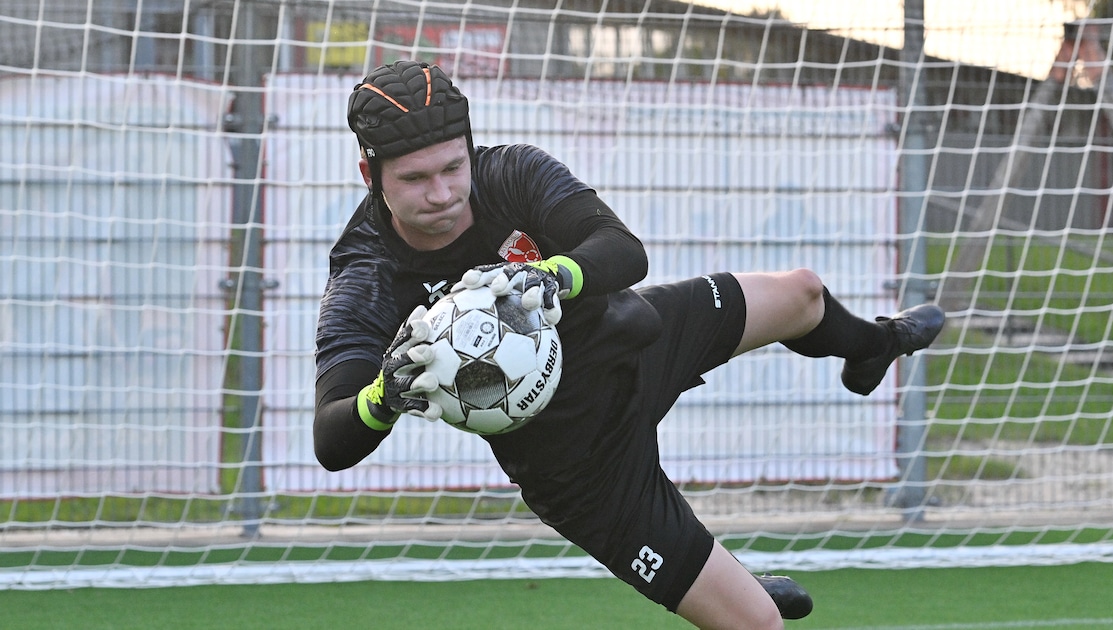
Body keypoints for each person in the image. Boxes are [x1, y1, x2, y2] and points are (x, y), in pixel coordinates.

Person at [313, 60, 944, 630]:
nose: (445, 193)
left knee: (803, 295)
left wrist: (553, 275)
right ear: (371, 174)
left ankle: (875, 346)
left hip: (637, 339)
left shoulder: (510, 175)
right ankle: (730, 588)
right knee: (757, 625)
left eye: (454, 166)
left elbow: (623, 251)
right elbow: (331, 438)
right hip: (580, 459)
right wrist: (383, 397)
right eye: (416, 178)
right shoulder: (365, 273)